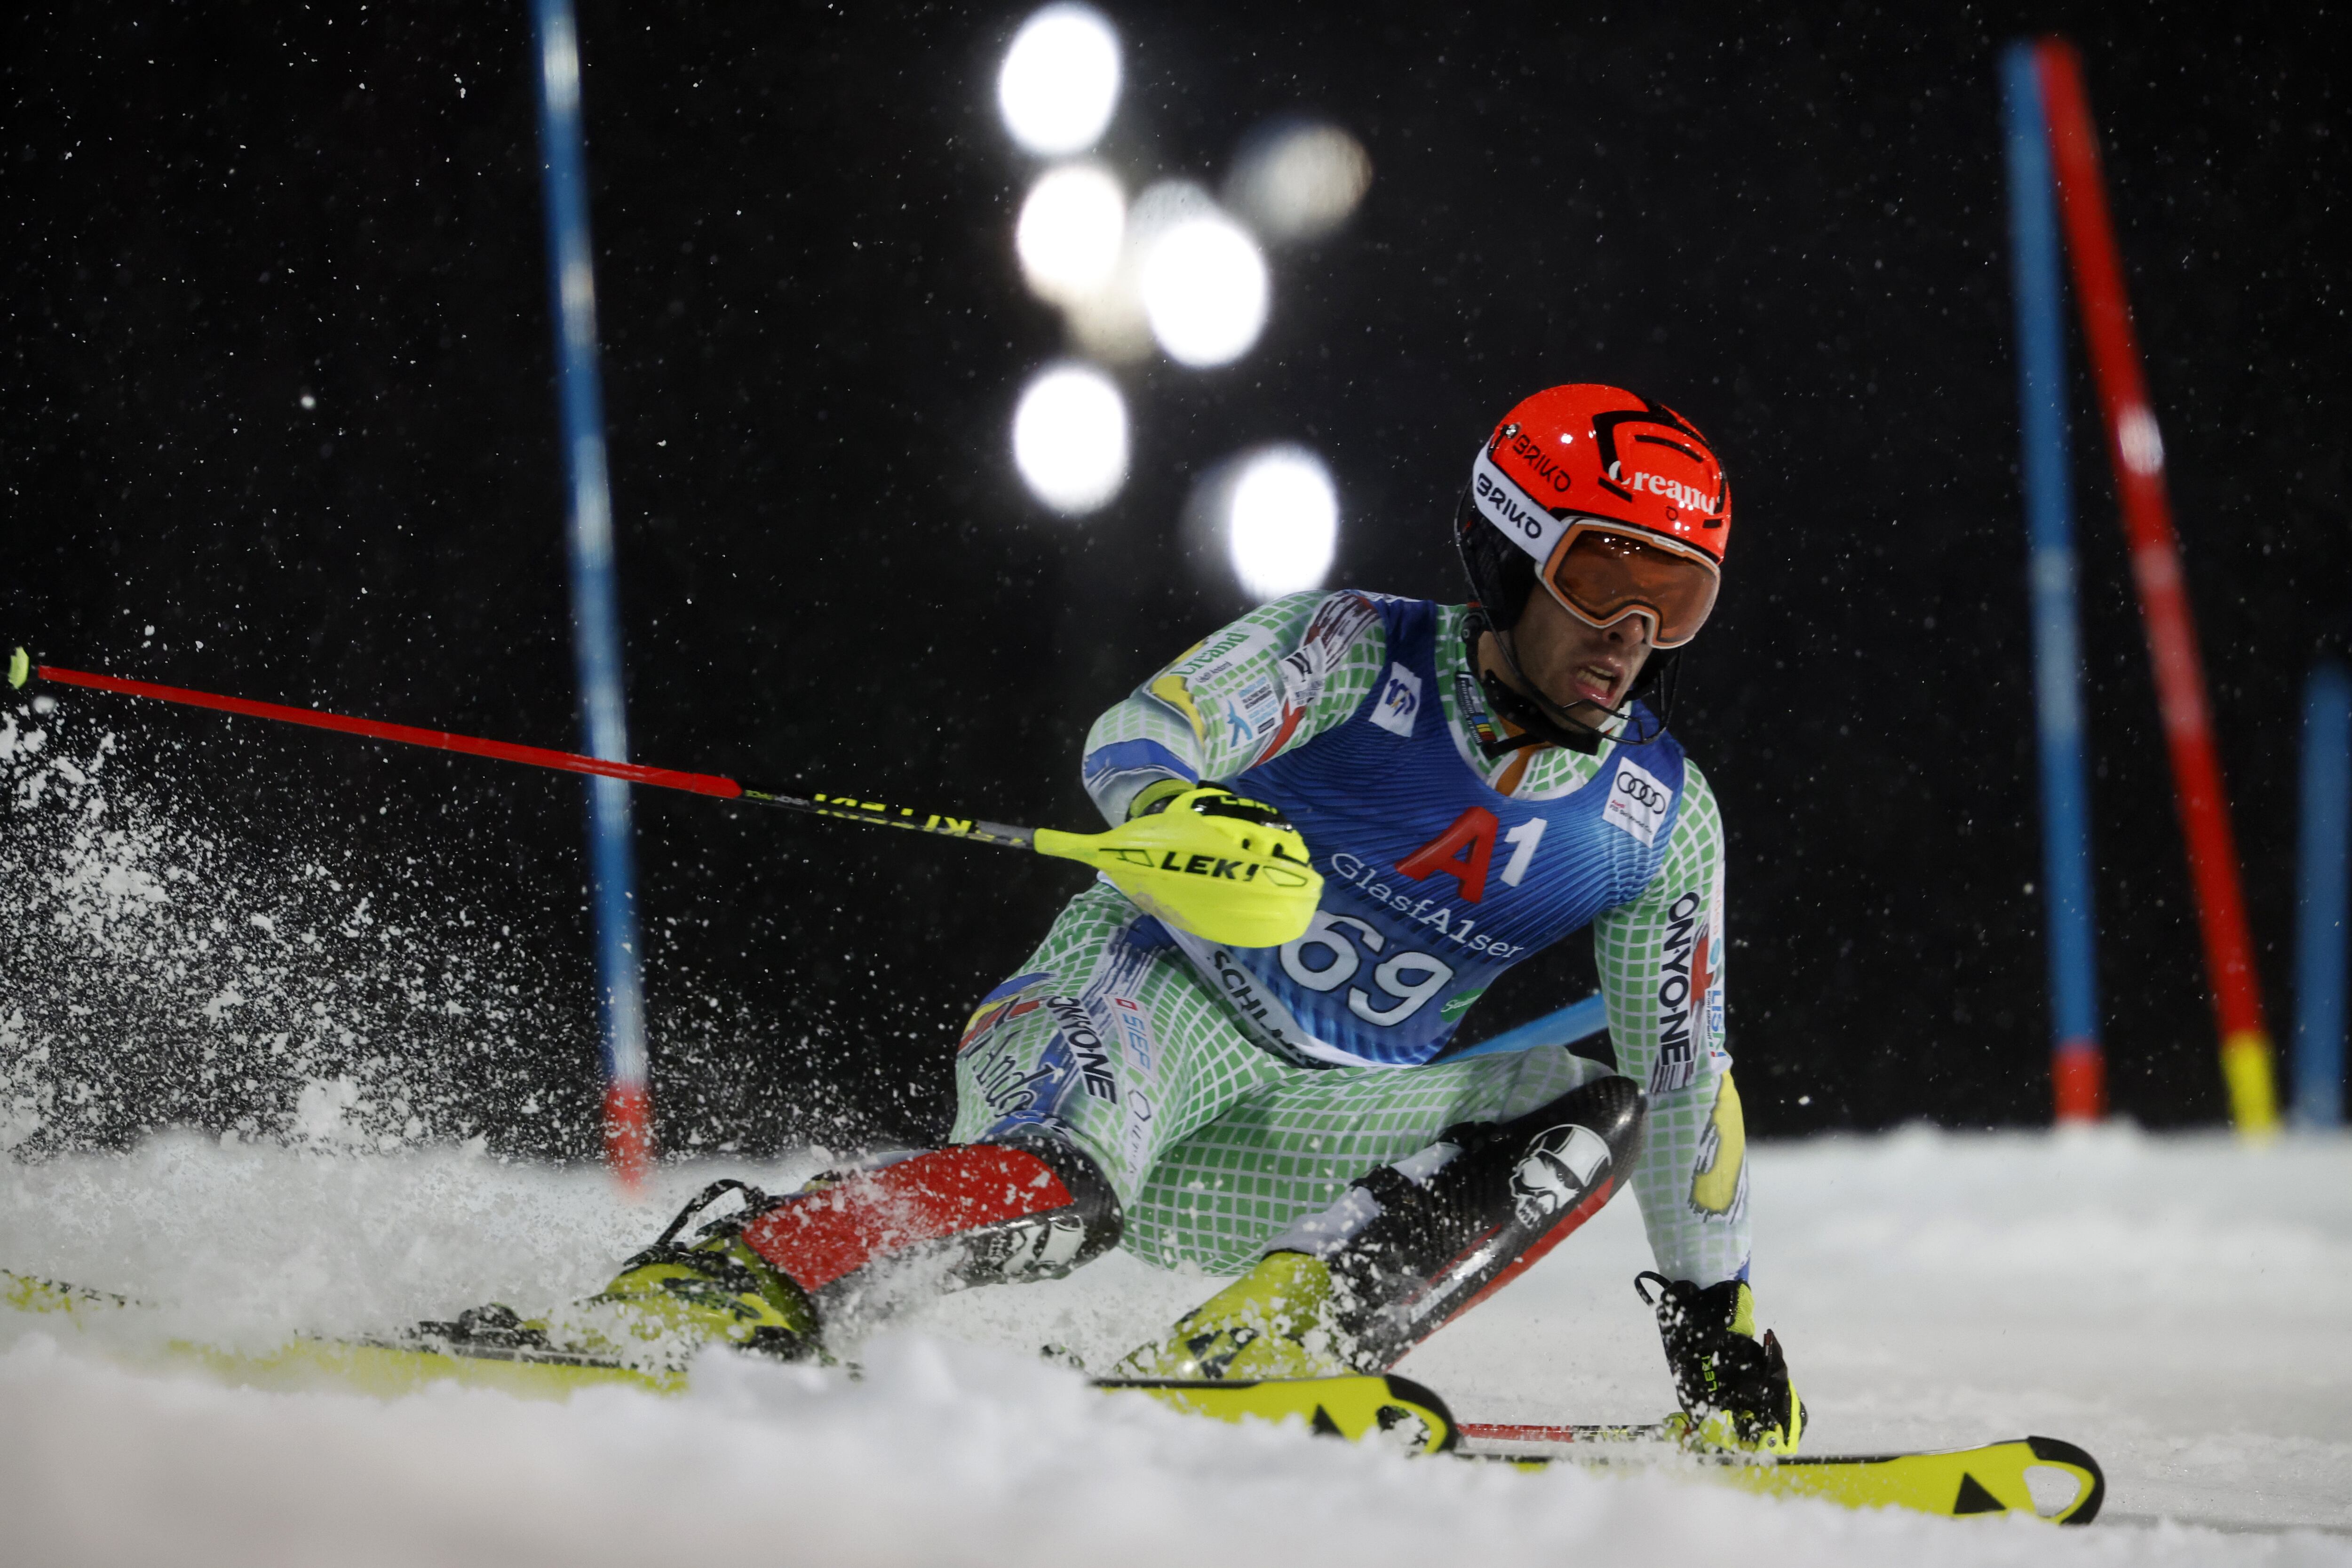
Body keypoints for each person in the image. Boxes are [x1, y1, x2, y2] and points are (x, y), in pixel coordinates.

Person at [449, 383, 1803, 1454]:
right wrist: (1182, 808)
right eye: (1599, 575)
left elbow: (1686, 1075)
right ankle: (731, 1282)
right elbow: (1144, 733)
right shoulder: (1352, 649)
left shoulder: (1659, 820)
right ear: (1506, 553)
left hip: (1317, 1122)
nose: (1630, 631)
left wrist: (1716, 1314)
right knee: (1062, 1191)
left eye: (1676, 597)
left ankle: (1272, 1345)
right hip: (1146, 1008)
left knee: (1594, 1114)